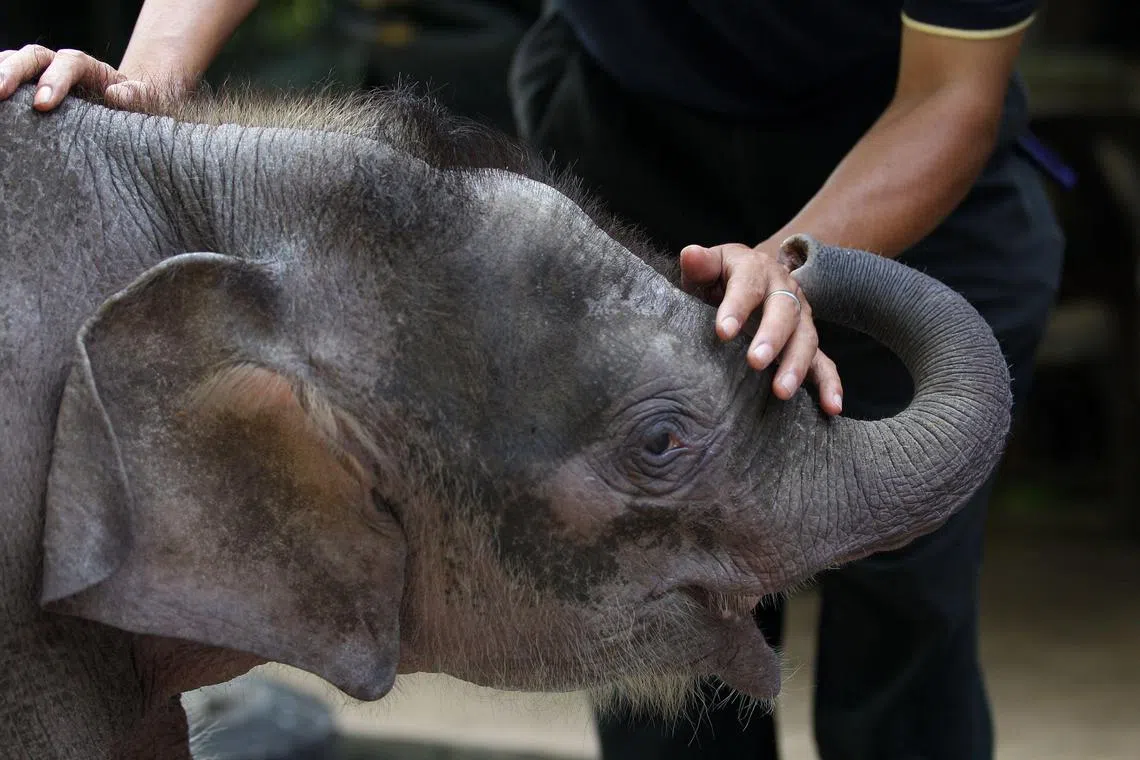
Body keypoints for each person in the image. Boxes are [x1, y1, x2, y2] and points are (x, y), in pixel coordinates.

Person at [0, 1, 1065, 758]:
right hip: (631, 148)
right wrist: (148, 80)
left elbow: (948, 104)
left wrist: (789, 261)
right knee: (647, 638)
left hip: (896, 196)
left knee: (903, 630)